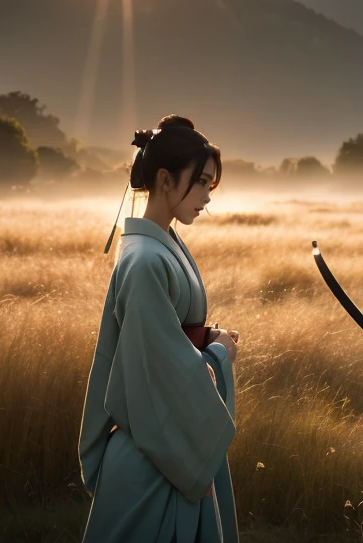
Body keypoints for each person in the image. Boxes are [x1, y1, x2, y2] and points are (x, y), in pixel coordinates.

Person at [79, 115, 240, 543]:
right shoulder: (147, 259)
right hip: (156, 452)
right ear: (166, 179)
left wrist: (205, 340)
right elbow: (161, 374)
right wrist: (219, 355)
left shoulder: (158, 245)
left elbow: (164, 342)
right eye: (202, 182)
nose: (207, 196)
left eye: (211, 185)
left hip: (163, 441)